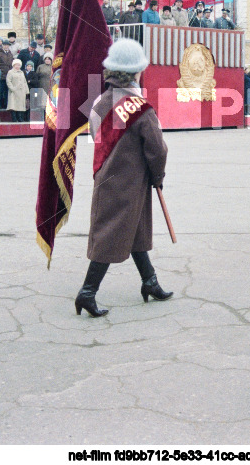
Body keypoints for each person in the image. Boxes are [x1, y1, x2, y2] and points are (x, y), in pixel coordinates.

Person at [76, 38, 172, 318]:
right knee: (111, 233)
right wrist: (158, 176)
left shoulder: (99, 102)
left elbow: (95, 135)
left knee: (135, 229)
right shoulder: (141, 107)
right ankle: (87, 292)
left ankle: (150, 281)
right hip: (132, 181)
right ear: (136, 72)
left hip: (106, 176)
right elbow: (157, 148)